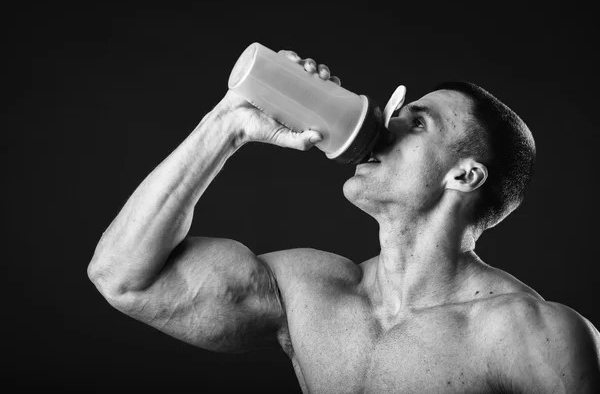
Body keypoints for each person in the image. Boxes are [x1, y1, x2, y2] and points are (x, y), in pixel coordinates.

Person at [88, 49, 600, 393]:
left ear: (464, 175)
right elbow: (124, 277)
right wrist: (228, 124)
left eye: (416, 122)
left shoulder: (533, 334)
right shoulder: (311, 295)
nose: (384, 123)